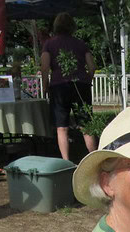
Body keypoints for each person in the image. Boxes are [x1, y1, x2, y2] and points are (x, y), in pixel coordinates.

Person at [40, 12, 97, 162]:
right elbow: (92, 67)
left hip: (59, 87)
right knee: (86, 125)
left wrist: (45, 85)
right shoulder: (81, 44)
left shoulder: (49, 44)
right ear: (72, 26)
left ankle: (66, 161)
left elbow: (45, 67)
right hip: (81, 86)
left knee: (62, 127)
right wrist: (86, 80)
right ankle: (94, 158)